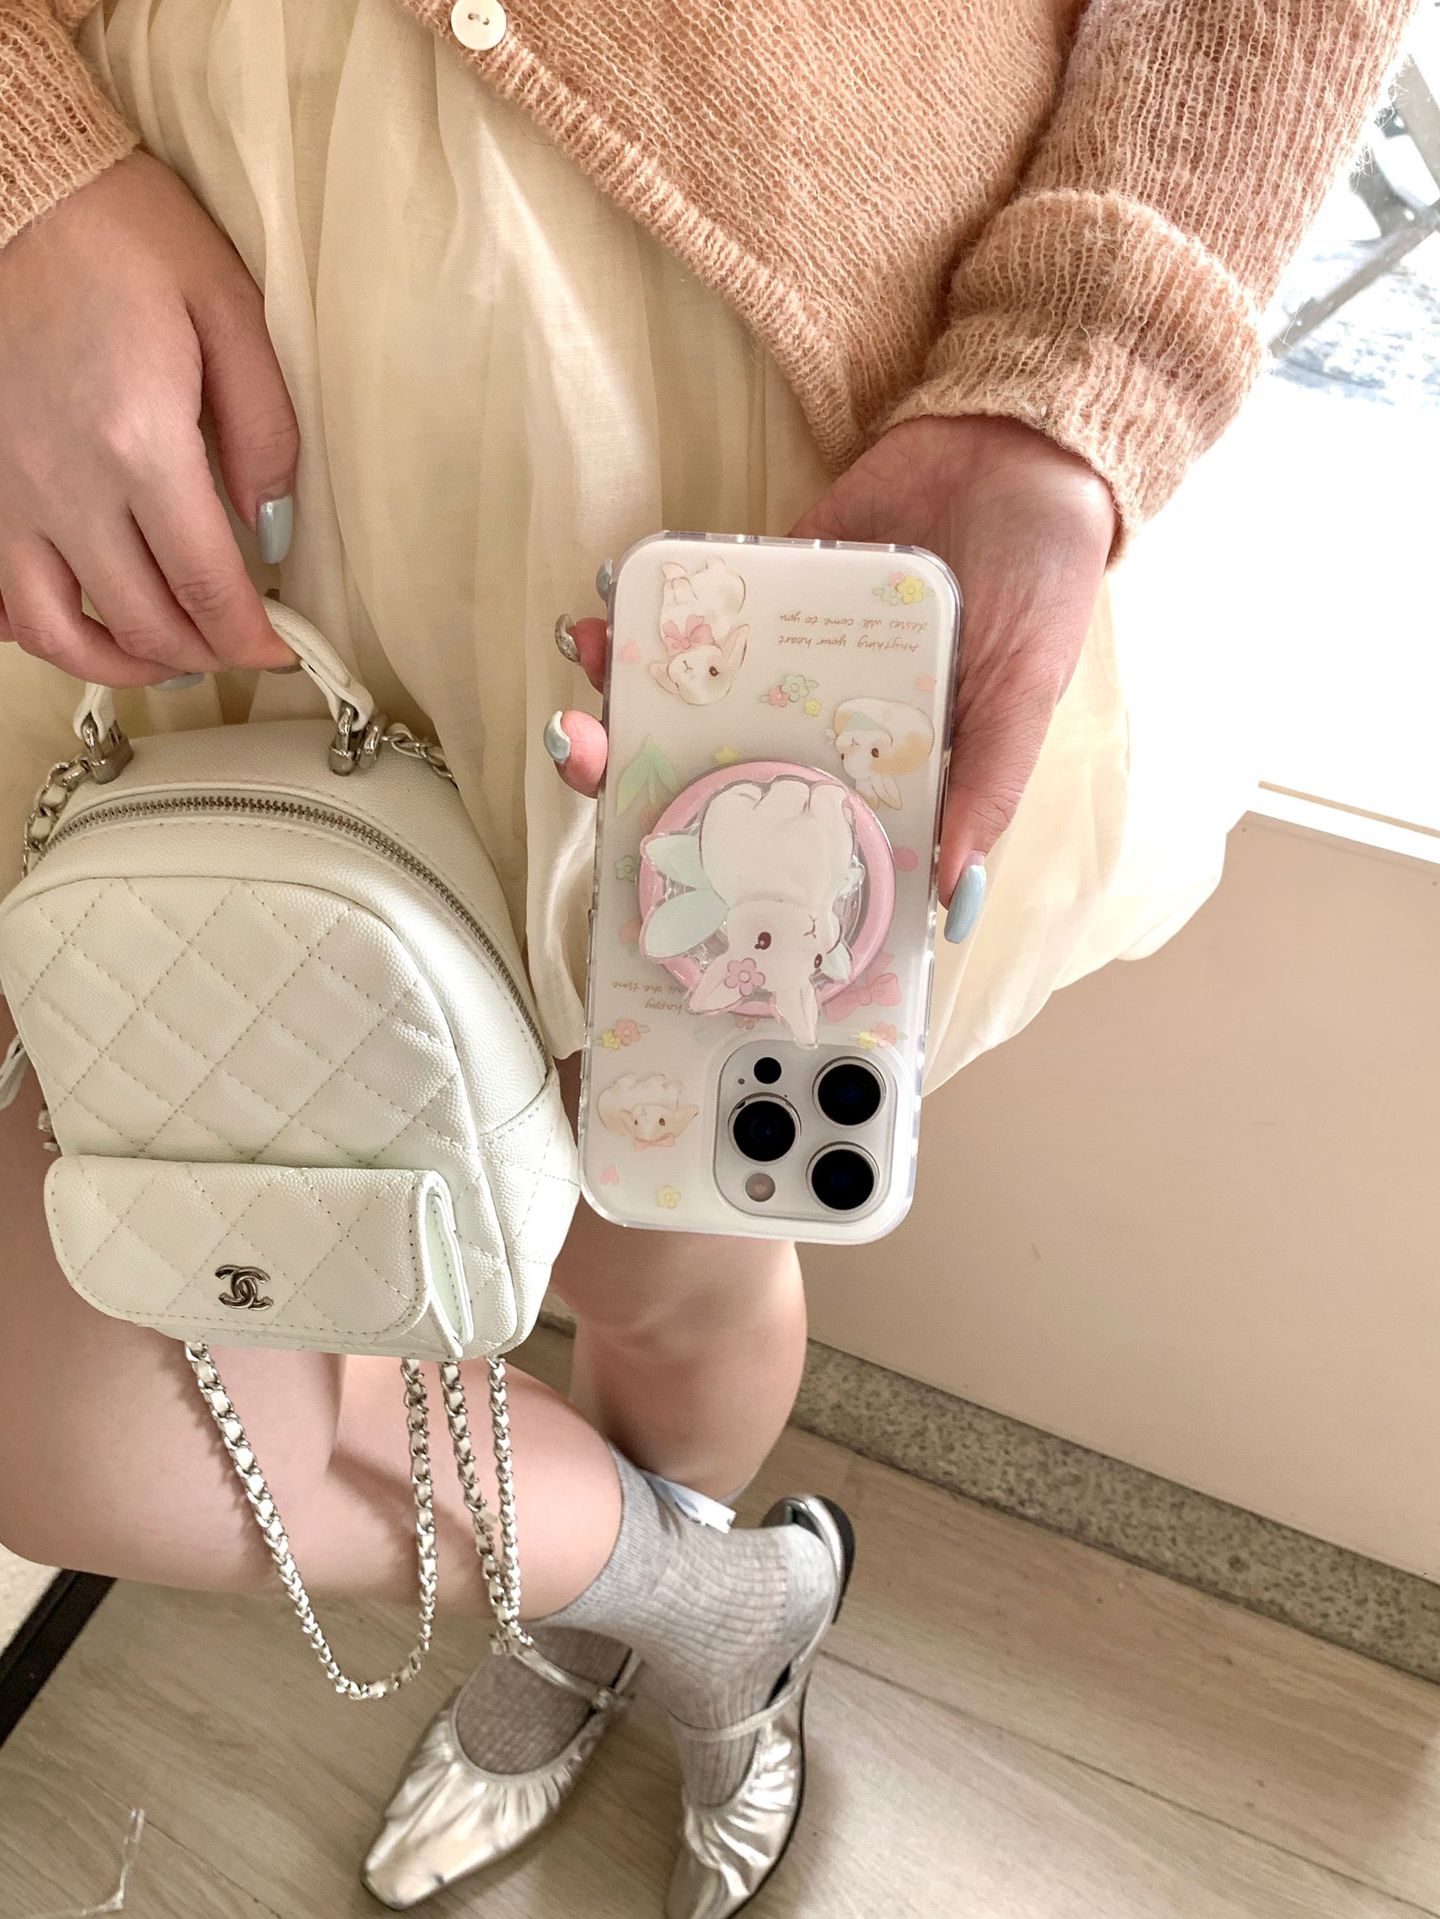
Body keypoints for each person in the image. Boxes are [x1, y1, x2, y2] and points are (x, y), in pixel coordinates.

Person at [0, 2, 1415, 1912]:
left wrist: (1086, 369)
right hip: (130, 389)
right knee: (92, 1401)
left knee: (657, 1248)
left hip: (700, 399)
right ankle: (696, 1604)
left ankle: (606, 1608)